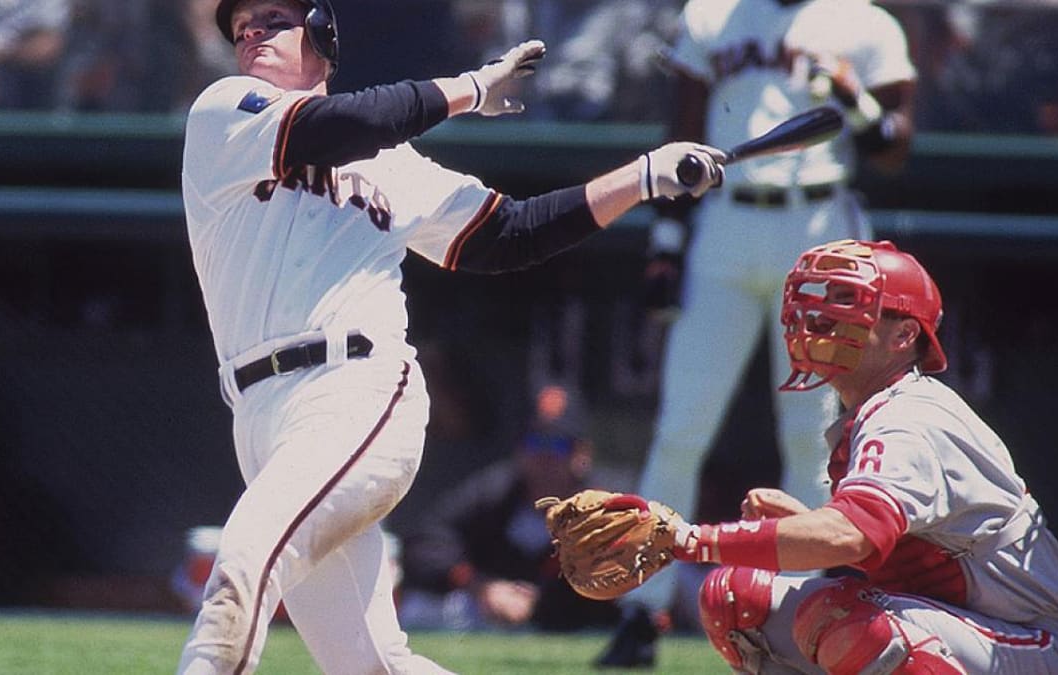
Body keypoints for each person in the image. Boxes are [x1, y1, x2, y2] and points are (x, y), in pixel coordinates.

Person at [175, 1, 727, 673]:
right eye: (241, 30)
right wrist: (469, 90)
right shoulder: (225, 110)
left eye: (272, 21)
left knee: (246, 556)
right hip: (259, 413)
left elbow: (510, 233)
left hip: (356, 388)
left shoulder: (389, 161)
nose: (252, 36)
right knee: (371, 663)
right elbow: (344, 123)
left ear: (323, 35)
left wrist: (642, 177)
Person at [601, 0, 919, 667]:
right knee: (682, 425)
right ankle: (643, 609)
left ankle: (813, 605)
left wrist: (854, 101)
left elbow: (894, 146)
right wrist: (666, 240)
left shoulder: (864, 22)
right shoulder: (714, 13)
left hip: (823, 228)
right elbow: (683, 129)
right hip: (726, 222)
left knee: (813, 432)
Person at [644, 239, 1058, 673]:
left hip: (1030, 642)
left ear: (904, 334)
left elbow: (853, 536)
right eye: (828, 301)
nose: (821, 319)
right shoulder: (878, 408)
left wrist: (688, 541)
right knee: (735, 597)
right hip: (959, 623)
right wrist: (803, 523)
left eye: (849, 304)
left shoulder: (908, 418)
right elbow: (914, 559)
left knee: (845, 621)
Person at [397, 383, 619, 632]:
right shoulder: (495, 491)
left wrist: (541, 602)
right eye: (536, 443)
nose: (544, 458)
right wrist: (479, 586)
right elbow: (425, 541)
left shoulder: (604, 506)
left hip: (573, 620)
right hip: (490, 608)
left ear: (582, 454)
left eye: (558, 446)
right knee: (418, 610)